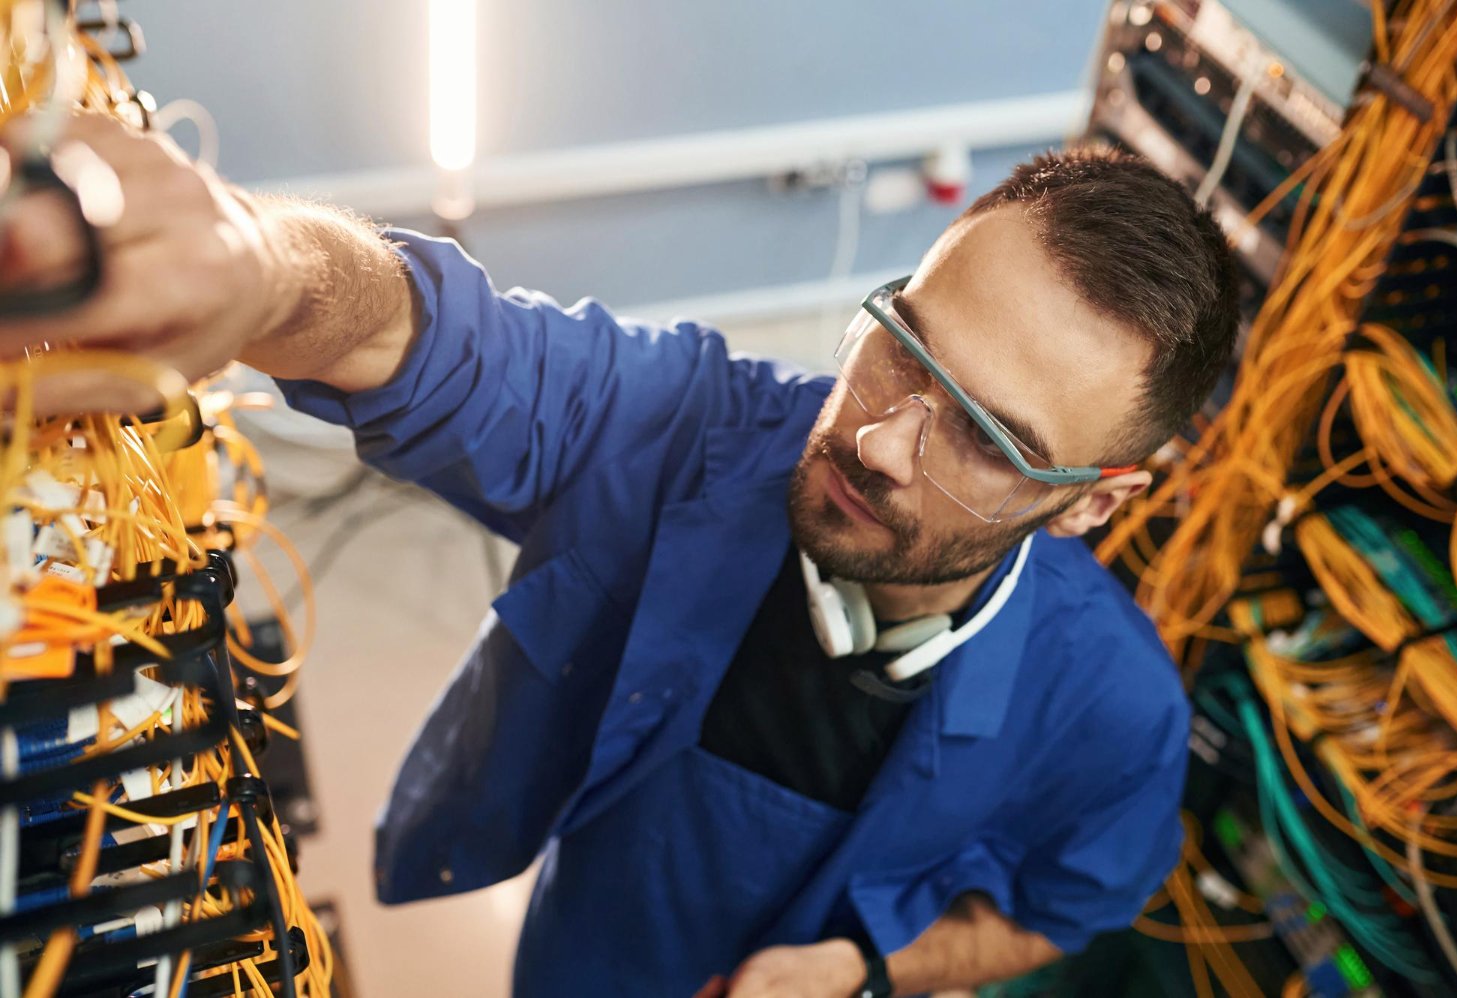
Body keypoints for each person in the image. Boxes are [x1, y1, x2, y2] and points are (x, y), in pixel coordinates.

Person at [0, 114, 1238, 997]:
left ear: (1091, 504)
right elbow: (433, 340)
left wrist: (861, 965)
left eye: (986, 434)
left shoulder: (1111, 705)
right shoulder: (701, 430)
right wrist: (262, 270)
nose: (880, 438)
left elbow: (1057, 907)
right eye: (906, 344)